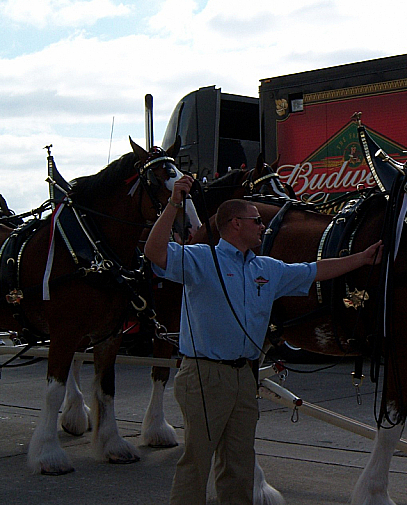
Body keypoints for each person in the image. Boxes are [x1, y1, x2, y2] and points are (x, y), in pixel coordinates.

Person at [144, 175, 382, 505]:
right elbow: (154, 251)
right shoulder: (201, 259)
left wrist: (362, 258)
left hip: (245, 376)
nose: (263, 227)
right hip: (205, 377)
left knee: (239, 465)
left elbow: (315, 270)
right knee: (196, 462)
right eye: (256, 221)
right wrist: (173, 204)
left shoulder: (266, 268)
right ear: (235, 225)